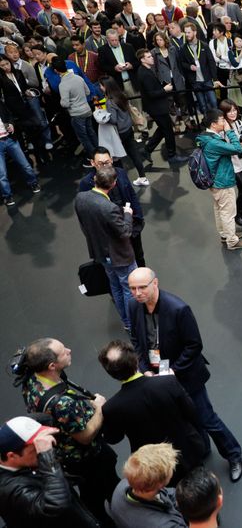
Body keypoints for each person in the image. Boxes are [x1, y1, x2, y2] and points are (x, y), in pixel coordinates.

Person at [126, 267, 242, 482]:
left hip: (185, 375)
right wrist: (144, 369)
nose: (137, 293)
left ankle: (234, 454)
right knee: (185, 418)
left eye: (142, 287)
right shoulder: (134, 306)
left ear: (155, 283)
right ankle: (203, 448)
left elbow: (194, 345)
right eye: (132, 288)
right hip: (158, 375)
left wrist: (173, 370)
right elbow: (136, 341)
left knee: (207, 418)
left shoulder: (178, 309)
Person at [17, 338, 119, 525]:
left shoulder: (31, 380)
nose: (70, 350)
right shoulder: (62, 404)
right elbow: (86, 436)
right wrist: (99, 408)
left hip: (65, 457)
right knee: (103, 491)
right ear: (52, 365)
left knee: (90, 496)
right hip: (87, 459)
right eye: (64, 351)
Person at [97, 339, 205, 485]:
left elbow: (113, 438)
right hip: (187, 451)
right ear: (136, 360)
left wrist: (99, 410)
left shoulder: (111, 407)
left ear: (111, 373)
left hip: (155, 465)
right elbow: (191, 412)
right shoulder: (168, 382)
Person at [0, 415, 99, 528]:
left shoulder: (20, 459)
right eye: (35, 448)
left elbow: (43, 417)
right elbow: (56, 504)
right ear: (12, 456)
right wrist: (46, 455)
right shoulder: (9, 490)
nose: (40, 449)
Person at [75, 165, 136, 329]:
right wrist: (128, 214)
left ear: (95, 180)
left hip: (100, 253)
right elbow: (125, 232)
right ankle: (132, 323)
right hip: (120, 256)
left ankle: (126, 322)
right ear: (114, 184)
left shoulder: (80, 198)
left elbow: (84, 225)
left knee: (115, 286)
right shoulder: (109, 208)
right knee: (128, 289)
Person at [194, 109, 242, 250]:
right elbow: (237, 148)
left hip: (215, 181)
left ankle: (225, 234)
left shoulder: (205, 137)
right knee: (228, 212)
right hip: (222, 181)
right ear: (214, 124)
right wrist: (229, 131)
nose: (224, 122)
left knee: (219, 209)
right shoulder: (213, 142)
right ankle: (232, 241)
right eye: (221, 120)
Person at [79, 148, 145, 267]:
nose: (105, 166)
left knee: (138, 256)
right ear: (92, 163)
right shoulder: (86, 183)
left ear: (112, 160)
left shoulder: (120, 173)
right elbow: (86, 213)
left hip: (131, 225)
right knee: (118, 267)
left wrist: (138, 217)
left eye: (107, 162)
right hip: (110, 236)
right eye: (100, 163)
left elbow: (132, 195)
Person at [108, 444, 187, 527]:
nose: (172, 469)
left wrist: (184, 498)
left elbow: (166, 494)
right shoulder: (166, 525)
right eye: (170, 469)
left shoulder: (125, 484)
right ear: (159, 484)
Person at [135, 48, 180, 164]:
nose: (152, 58)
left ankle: (146, 150)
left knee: (162, 129)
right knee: (168, 130)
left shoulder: (145, 70)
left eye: (151, 56)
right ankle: (172, 155)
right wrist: (164, 90)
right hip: (156, 108)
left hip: (156, 107)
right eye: (149, 57)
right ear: (142, 60)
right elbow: (151, 94)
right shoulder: (144, 73)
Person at [56, 57, 98, 159]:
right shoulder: (78, 78)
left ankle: (93, 158)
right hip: (87, 110)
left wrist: (67, 101)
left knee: (84, 137)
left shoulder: (63, 85)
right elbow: (88, 92)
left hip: (76, 114)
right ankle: (100, 153)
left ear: (56, 71)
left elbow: (65, 104)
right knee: (91, 133)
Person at [0, 104, 40, 207]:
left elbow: (9, 115)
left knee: (25, 165)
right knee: (2, 174)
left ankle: (33, 183)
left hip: (10, 139)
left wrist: (11, 124)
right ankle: (7, 196)